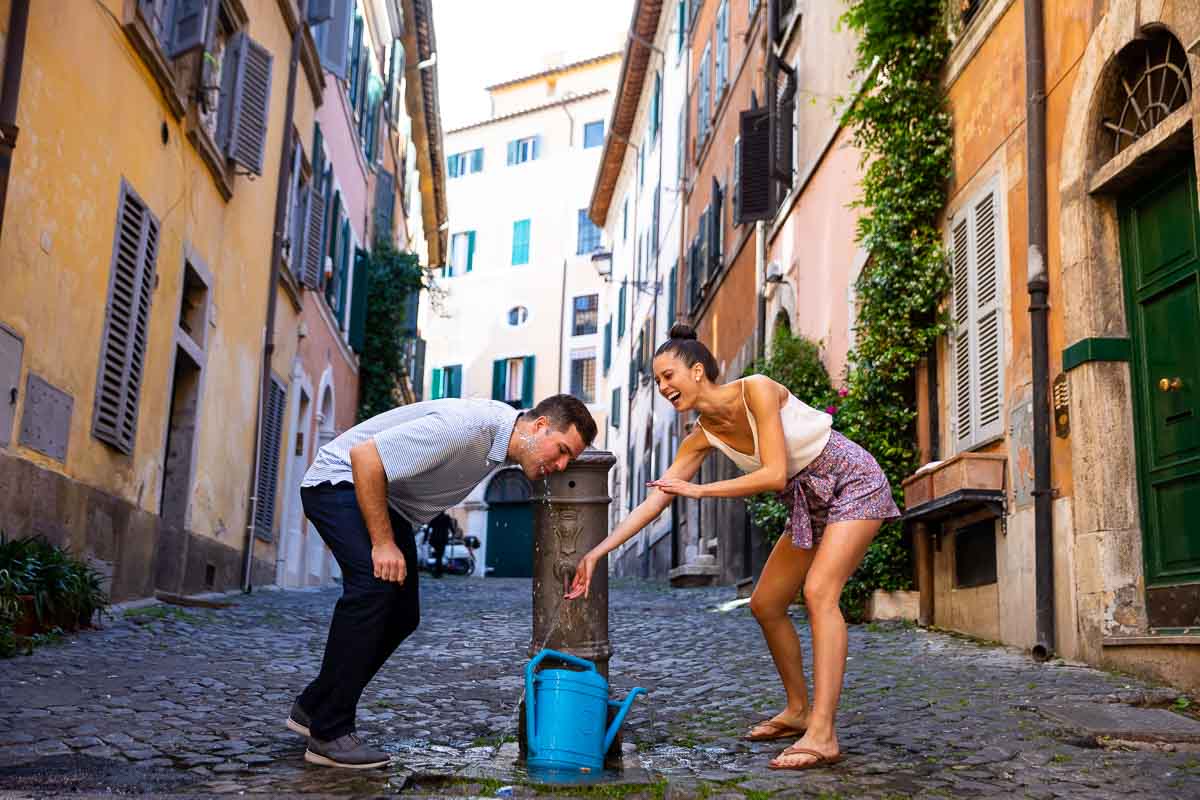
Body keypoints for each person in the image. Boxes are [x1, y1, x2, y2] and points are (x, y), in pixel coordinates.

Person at [566, 324, 899, 772]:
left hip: (852, 481)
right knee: (765, 603)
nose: (663, 387)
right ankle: (798, 709)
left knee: (821, 592)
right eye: (658, 381)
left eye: (668, 376)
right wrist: (597, 551)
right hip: (809, 501)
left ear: (698, 370)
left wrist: (700, 492)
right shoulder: (702, 435)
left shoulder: (756, 390)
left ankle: (823, 732)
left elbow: (775, 474)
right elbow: (657, 499)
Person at [291, 394, 597, 769]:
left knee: (403, 615)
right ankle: (329, 731)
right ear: (538, 427)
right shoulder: (467, 428)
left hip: (391, 503)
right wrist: (383, 544)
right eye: (563, 450)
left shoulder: (500, 439)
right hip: (339, 482)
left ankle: (313, 706)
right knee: (373, 589)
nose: (563, 465)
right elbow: (365, 458)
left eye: (571, 460)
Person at [426, 511, 454, 578]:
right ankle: (439, 572)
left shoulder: (434, 517)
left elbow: (429, 527)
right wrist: (453, 533)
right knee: (439, 556)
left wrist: (425, 538)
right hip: (443, 539)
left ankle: (437, 572)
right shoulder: (447, 517)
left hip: (435, 539)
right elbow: (451, 527)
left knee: (438, 556)